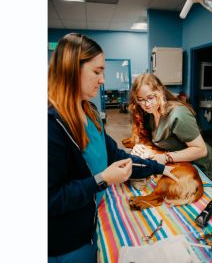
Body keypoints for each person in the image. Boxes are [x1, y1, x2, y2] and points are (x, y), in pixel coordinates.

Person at [48, 33, 177, 263]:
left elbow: (115, 156)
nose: (102, 80)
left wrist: (157, 167)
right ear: (71, 70)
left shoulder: (90, 112)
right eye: (97, 72)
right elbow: (50, 199)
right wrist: (101, 180)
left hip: (93, 216)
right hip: (67, 239)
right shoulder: (51, 126)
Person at [129, 73, 212, 185]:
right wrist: (140, 146)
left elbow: (200, 150)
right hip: (178, 163)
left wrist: (166, 157)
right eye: (141, 99)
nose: (146, 104)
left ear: (161, 91)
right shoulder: (148, 113)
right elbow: (150, 138)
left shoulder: (178, 114)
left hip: (200, 166)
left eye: (150, 98)